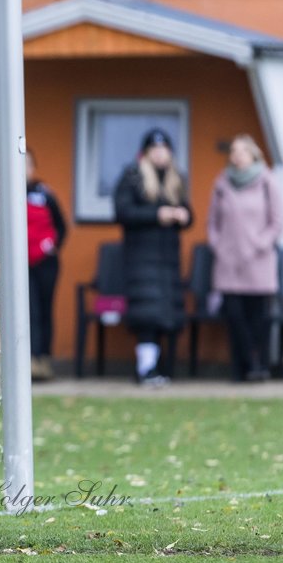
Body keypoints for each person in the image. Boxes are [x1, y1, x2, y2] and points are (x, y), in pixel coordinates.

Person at [114, 128, 192, 387]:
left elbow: (189, 214)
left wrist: (182, 216)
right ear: (146, 153)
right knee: (146, 315)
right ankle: (145, 369)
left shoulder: (175, 179)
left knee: (164, 316)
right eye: (155, 149)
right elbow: (123, 212)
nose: (160, 154)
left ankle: (157, 369)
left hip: (167, 261)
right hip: (141, 260)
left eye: (164, 149)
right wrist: (157, 215)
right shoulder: (132, 176)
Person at [206, 134, 283, 382]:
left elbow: (277, 220)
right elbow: (212, 222)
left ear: (253, 154)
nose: (236, 156)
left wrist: (259, 243)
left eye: (241, 151)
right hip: (229, 262)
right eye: (233, 151)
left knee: (257, 317)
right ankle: (243, 367)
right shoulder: (222, 184)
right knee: (234, 316)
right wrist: (218, 245)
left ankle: (257, 363)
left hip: (258, 261)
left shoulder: (266, 181)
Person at [24, 149, 67, 381]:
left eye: (27, 164)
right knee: (27, 311)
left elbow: (61, 227)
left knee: (45, 310)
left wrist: (51, 246)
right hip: (21, 266)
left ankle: (44, 360)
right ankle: (27, 360)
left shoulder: (45, 194)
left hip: (46, 264)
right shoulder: (3, 195)